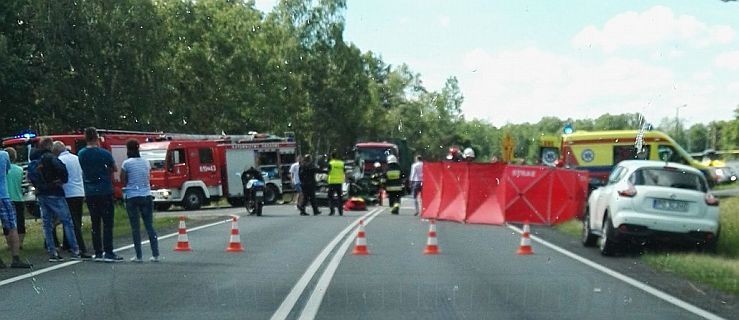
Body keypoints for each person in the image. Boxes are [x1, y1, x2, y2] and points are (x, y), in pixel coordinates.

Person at [28, 137, 81, 262]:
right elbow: (62, 169)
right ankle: (75, 250)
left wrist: (39, 187)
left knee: (47, 224)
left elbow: (30, 176)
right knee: (66, 221)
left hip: (41, 194)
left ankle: (53, 252)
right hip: (55, 192)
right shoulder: (51, 158)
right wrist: (61, 180)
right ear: (50, 146)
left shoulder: (34, 161)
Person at [78, 127, 122, 263]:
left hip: (90, 191)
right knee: (108, 223)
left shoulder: (81, 154)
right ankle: (108, 251)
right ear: (97, 138)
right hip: (104, 189)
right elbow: (114, 168)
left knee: (95, 223)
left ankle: (98, 252)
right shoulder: (104, 153)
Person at [121, 139, 159, 263]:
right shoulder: (146, 162)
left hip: (132, 196)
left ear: (128, 150)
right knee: (149, 225)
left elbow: (123, 179)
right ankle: (155, 254)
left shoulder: (126, 163)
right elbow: (147, 177)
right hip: (146, 195)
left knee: (135, 227)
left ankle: (139, 256)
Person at [53, 141, 92, 259]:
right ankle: (67, 243)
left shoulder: (60, 161)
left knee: (71, 221)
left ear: (56, 151)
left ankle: (80, 247)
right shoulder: (76, 158)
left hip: (68, 192)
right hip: (79, 192)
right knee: (76, 219)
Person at [0, 148, 32, 268]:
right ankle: (15, 258)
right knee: (12, 227)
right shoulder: (4, 155)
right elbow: (7, 170)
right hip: (3, 195)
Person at [3, 148, 26, 249]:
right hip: (18, 197)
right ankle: (20, 243)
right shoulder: (20, 170)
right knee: (20, 221)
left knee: (7, 223)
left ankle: (10, 244)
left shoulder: (3, 170)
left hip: (7, 197)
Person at [326, 151, 345, 216]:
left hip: (331, 182)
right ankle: (340, 211)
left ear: (332, 156)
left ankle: (332, 211)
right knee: (340, 197)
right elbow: (344, 172)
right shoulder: (341, 163)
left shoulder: (330, 163)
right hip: (339, 182)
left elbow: (328, 172)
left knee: (330, 197)